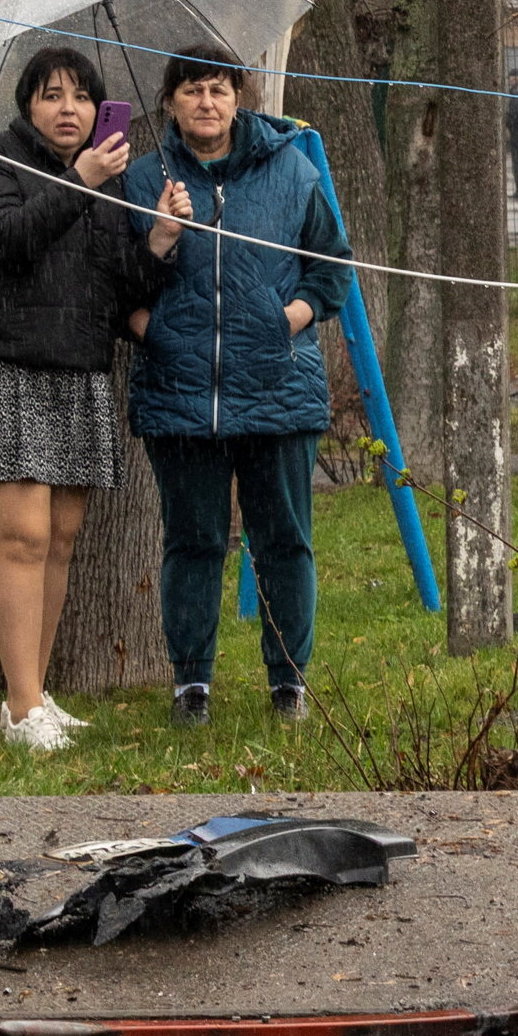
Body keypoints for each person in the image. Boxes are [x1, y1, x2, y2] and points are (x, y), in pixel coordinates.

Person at [0, 43, 161, 754]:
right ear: (27, 103)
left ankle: (34, 694)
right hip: (5, 371)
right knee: (23, 537)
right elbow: (9, 240)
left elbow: (121, 284)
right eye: (53, 94)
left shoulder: (104, 179)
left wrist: (160, 239)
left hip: (77, 372)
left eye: (82, 97)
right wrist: (81, 182)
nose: (70, 109)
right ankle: (21, 704)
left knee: (60, 541)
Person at [121, 50, 354, 723]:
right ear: (170, 102)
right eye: (191, 90)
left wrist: (289, 320)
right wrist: (160, 256)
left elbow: (332, 266)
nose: (206, 102)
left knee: (283, 540)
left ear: (238, 97)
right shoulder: (142, 181)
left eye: (218, 89)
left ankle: (289, 682)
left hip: (277, 388)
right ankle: (191, 682)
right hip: (179, 393)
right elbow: (116, 285)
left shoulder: (292, 169)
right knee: (192, 541)